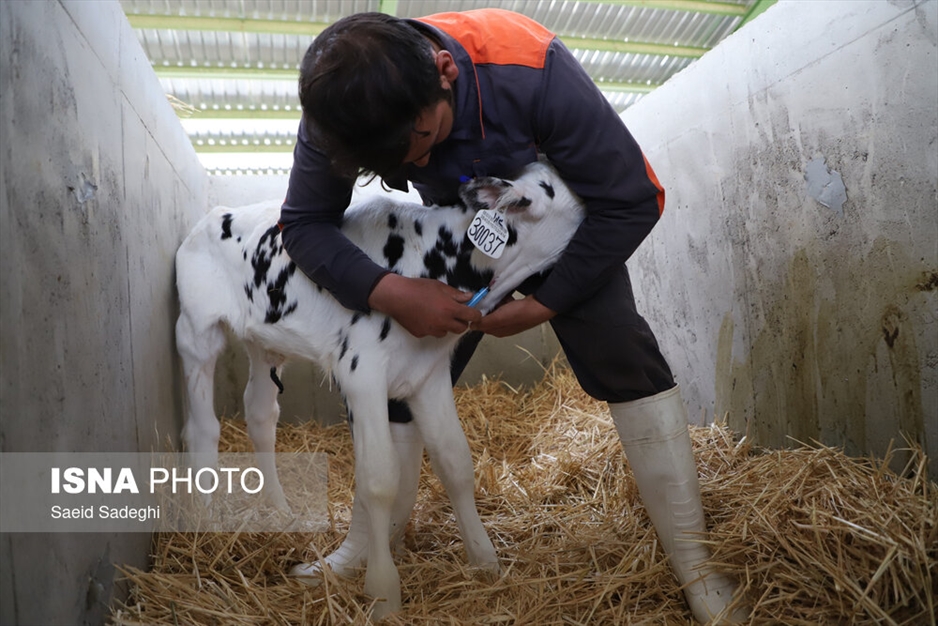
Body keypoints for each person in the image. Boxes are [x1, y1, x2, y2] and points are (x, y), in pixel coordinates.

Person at [280, 9, 746, 623]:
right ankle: (367, 546)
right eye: (383, 164)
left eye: (418, 142)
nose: (407, 168)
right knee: (393, 374)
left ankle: (695, 564)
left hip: (556, 227)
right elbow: (303, 223)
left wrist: (544, 305)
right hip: (462, 232)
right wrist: (390, 291)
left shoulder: (531, 68)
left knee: (621, 351)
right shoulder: (341, 106)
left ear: (444, 72)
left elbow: (633, 199)